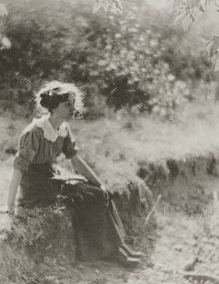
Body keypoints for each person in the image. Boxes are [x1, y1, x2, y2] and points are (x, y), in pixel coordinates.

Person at [7, 81, 143, 267]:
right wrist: (11, 206)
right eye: (67, 105)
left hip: (52, 176)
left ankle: (119, 247)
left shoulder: (63, 129)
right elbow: (19, 169)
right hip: (36, 187)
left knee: (101, 191)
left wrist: (99, 183)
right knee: (92, 196)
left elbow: (77, 161)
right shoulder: (35, 133)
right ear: (54, 107)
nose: (72, 108)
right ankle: (109, 252)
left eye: (73, 103)